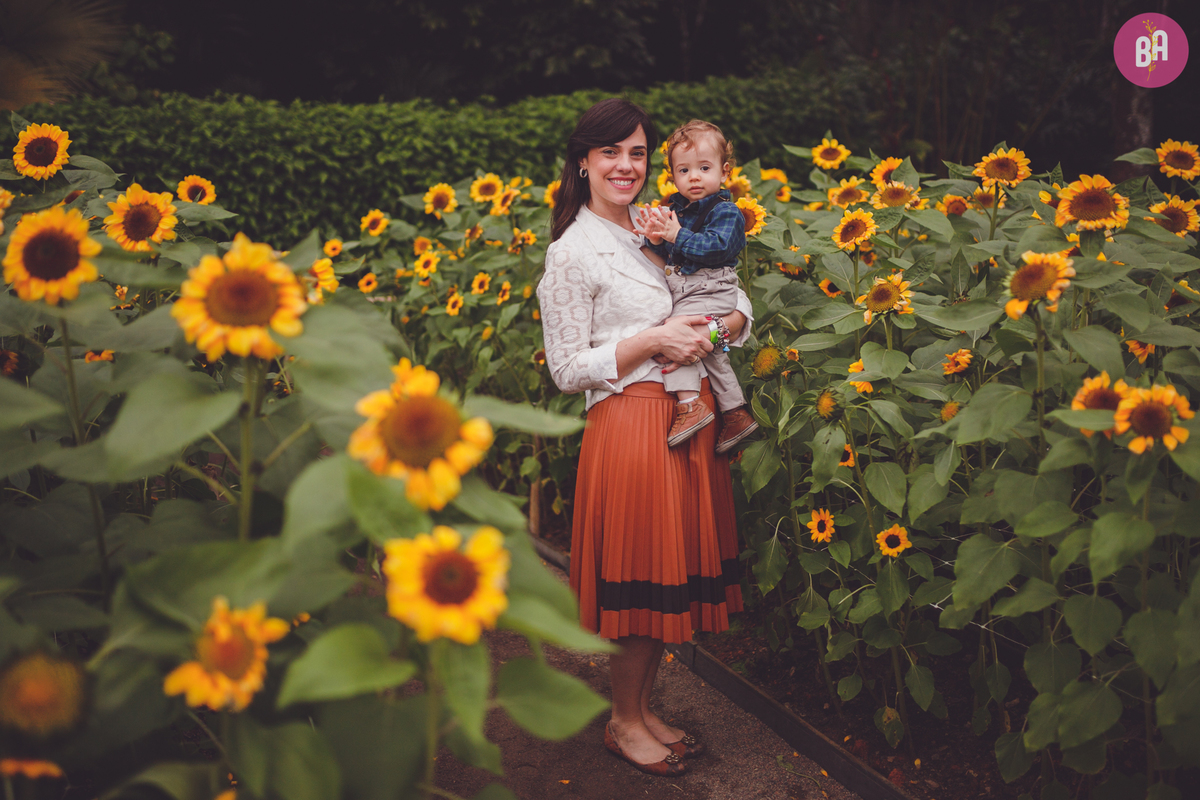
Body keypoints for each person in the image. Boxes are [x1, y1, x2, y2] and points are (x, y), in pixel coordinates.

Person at [537, 98, 750, 777]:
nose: (626, 166)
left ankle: (644, 708)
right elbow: (568, 370)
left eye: (637, 153)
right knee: (639, 586)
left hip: (690, 420)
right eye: (611, 153)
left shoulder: (664, 222)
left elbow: (731, 294)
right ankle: (624, 721)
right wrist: (651, 340)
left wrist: (723, 329)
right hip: (632, 426)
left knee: (668, 583)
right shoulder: (571, 253)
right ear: (583, 163)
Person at [640, 119, 758, 451]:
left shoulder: (726, 212)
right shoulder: (677, 210)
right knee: (712, 353)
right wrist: (657, 240)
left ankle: (689, 404)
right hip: (693, 287)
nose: (693, 177)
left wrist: (677, 235)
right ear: (672, 175)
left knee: (673, 335)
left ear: (725, 172)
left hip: (710, 286)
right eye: (683, 170)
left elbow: (717, 248)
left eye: (704, 167)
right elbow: (674, 251)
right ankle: (735, 413)